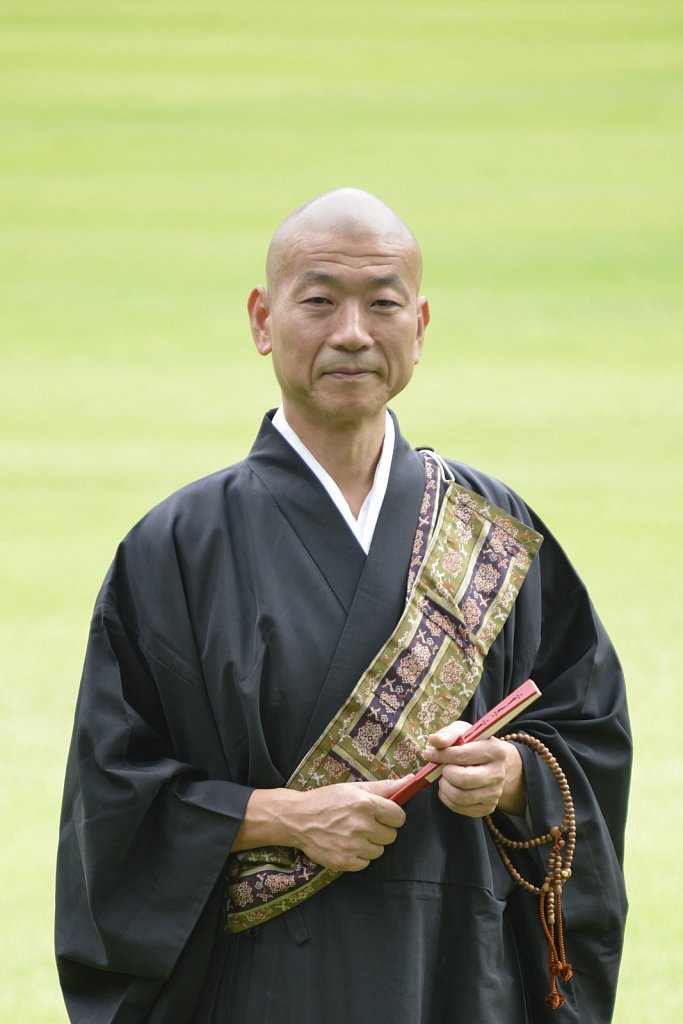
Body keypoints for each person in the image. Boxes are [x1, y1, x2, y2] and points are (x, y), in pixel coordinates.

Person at [55, 189, 631, 1024]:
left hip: (459, 971)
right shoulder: (177, 545)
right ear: (262, 319)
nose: (353, 333)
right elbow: (111, 799)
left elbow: (587, 734)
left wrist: (512, 777)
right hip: (262, 984)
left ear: (420, 326)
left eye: (383, 303)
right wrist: (284, 817)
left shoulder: (492, 529)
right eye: (319, 301)